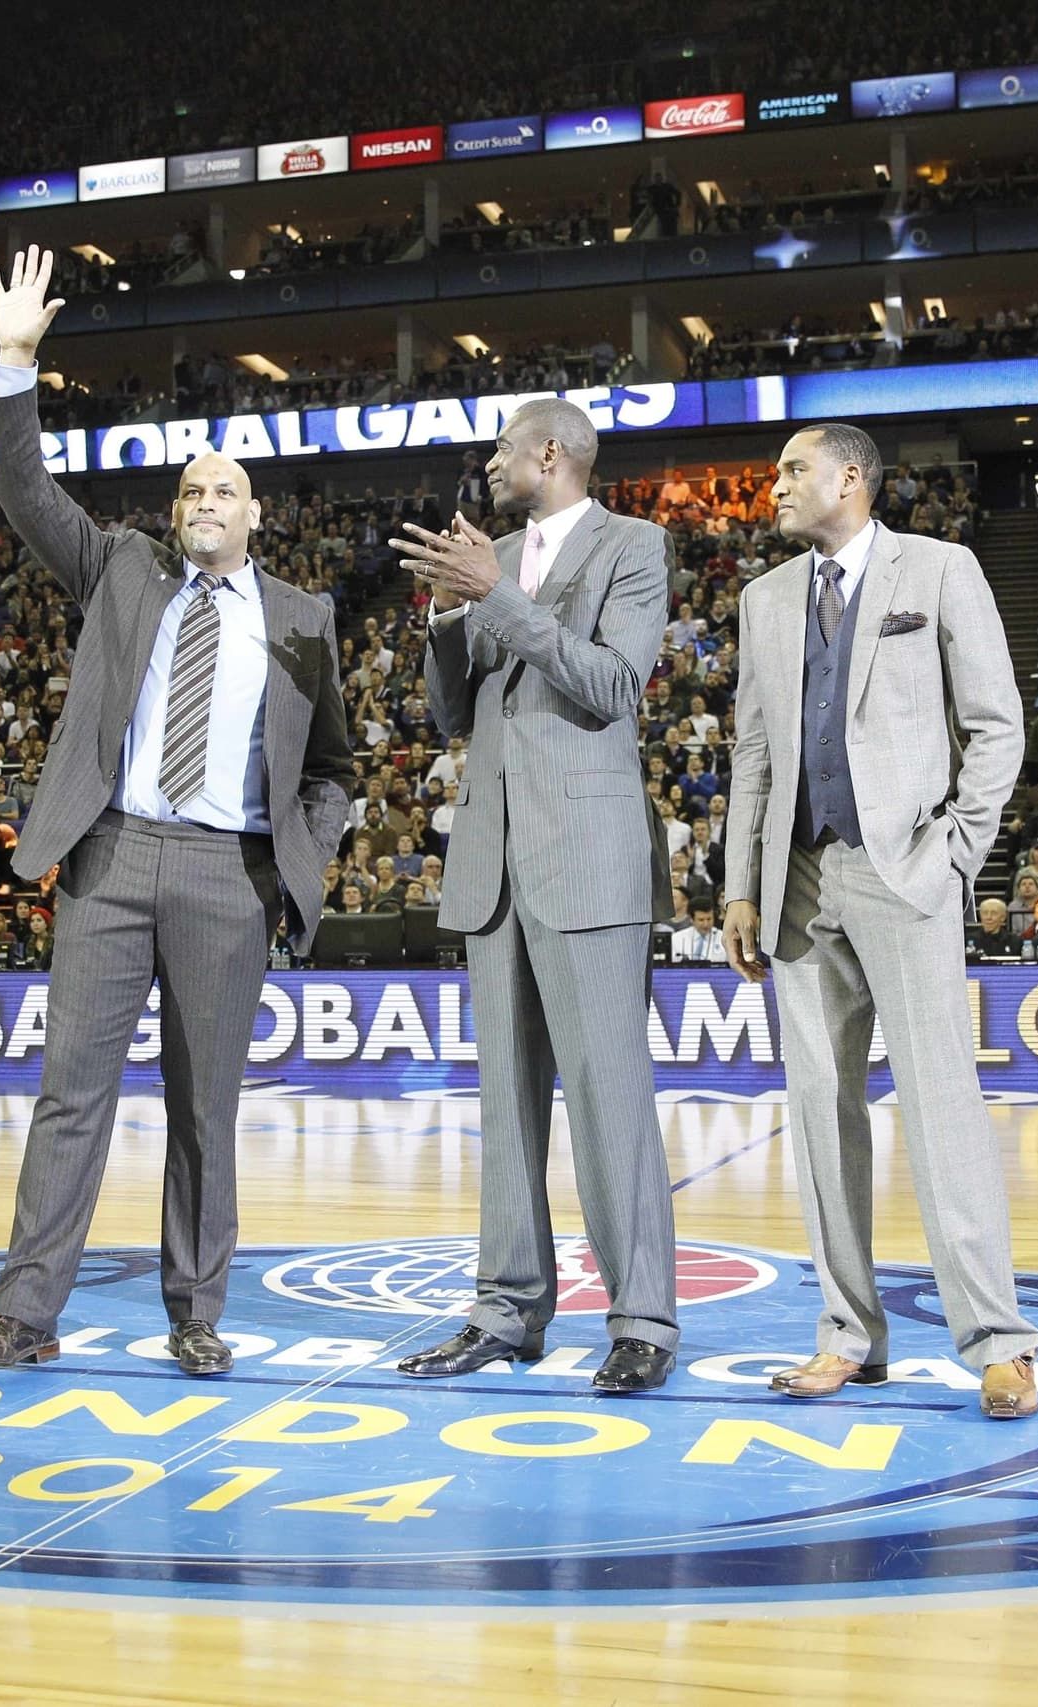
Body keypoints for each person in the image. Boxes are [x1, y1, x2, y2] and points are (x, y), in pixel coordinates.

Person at [0, 247, 355, 1377]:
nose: (202, 503)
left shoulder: (303, 618)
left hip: (227, 875)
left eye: (222, 489)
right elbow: (25, 492)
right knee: (68, 1098)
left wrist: (288, 861)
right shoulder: (121, 570)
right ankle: (25, 1316)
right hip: (113, 859)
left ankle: (197, 1313)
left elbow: (335, 766)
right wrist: (17, 362)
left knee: (203, 1113)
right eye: (188, 490)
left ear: (256, 514)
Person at [721, 421, 1038, 1421]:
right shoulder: (763, 599)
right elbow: (754, 755)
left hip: (904, 875)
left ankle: (998, 1343)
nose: (773, 486)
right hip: (796, 885)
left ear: (850, 479)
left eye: (792, 470)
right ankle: (848, 1338)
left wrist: (954, 853)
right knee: (819, 1116)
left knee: (941, 1107)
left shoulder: (940, 570)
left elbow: (996, 725)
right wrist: (739, 885)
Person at [390, 394, 679, 1395]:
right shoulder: (493, 557)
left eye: (506, 445)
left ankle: (641, 1317)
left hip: (590, 859)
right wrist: (445, 616)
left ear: (551, 453)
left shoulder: (633, 546)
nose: (494, 460)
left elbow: (610, 685)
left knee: (610, 1103)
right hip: (494, 862)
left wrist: (495, 595)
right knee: (504, 1109)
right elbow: (448, 714)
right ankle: (506, 1310)